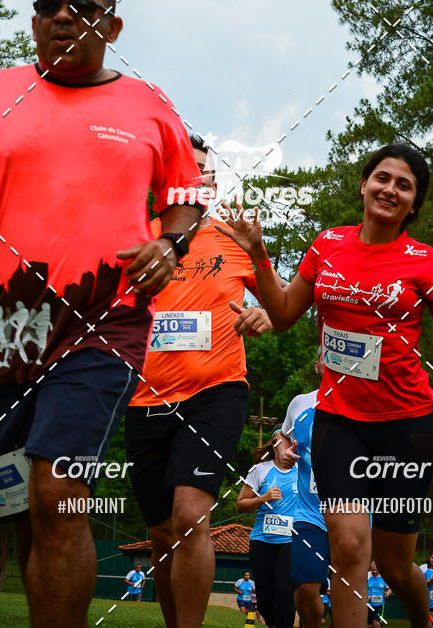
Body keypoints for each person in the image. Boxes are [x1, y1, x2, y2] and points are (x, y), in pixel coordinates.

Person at [0, 0, 205, 628]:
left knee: (59, 493)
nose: (64, 16)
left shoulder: (149, 104)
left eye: (82, 7)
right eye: (49, 6)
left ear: (111, 26)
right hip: (6, 324)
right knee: (22, 510)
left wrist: (168, 245)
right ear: (34, 21)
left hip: (102, 319)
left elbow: (184, 198)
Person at [219, 143, 433, 628]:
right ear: (364, 184)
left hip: (407, 427)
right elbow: (283, 314)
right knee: (348, 547)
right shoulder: (327, 245)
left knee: (393, 566)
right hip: (339, 423)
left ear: (413, 204)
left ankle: (421, 618)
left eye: (404, 185)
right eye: (383, 178)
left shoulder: (425, 261)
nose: (390, 189)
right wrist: (260, 252)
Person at [125, 135, 273, 628]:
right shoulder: (140, 237)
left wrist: (261, 318)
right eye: (187, 170)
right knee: (163, 532)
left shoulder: (234, 237)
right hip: (146, 398)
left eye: (205, 171)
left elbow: (279, 306)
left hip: (217, 390)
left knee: (190, 518)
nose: (198, 178)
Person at [278, 348, 329, 628]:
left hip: (354, 513)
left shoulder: (366, 402)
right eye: (326, 355)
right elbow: (282, 435)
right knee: (306, 589)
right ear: (317, 366)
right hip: (310, 515)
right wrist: (284, 450)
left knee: (349, 592)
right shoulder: (301, 404)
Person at [237, 427, 298, 628]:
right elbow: (240, 504)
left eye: (289, 440)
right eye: (281, 440)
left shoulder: (304, 470)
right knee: (264, 595)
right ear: (274, 444)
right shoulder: (260, 470)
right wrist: (263, 498)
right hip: (262, 541)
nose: (286, 444)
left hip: (290, 541)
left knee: (284, 589)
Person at [367, 561, 391, 627]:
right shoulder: (367, 575)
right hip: (368, 605)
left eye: (376, 569)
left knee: (376, 623)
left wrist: (388, 593)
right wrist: (366, 596)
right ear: (370, 569)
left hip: (379, 605)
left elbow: (390, 588)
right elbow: (361, 587)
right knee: (369, 625)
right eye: (372, 570)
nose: (374, 572)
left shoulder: (384, 576)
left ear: (379, 568)